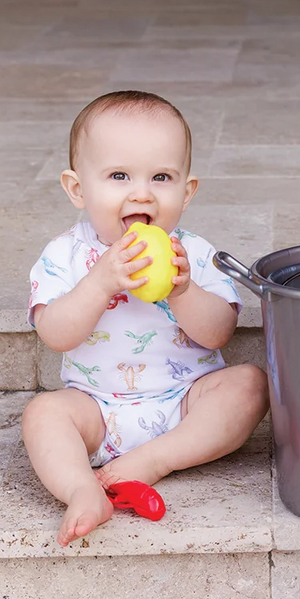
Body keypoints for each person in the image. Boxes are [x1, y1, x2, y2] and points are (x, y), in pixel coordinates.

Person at [23, 91, 268, 546]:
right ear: (78, 189)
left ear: (187, 191)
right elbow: (54, 334)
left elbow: (219, 333)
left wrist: (184, 290)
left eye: (161, 176)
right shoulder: (65, 255)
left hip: (184, 406)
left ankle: (155, 460)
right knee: (43, 413)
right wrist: (98, 284)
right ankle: (82, 489)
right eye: (119, 175)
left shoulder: (193, 253)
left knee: (251, 384)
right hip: (96, 409)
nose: (142, 192)